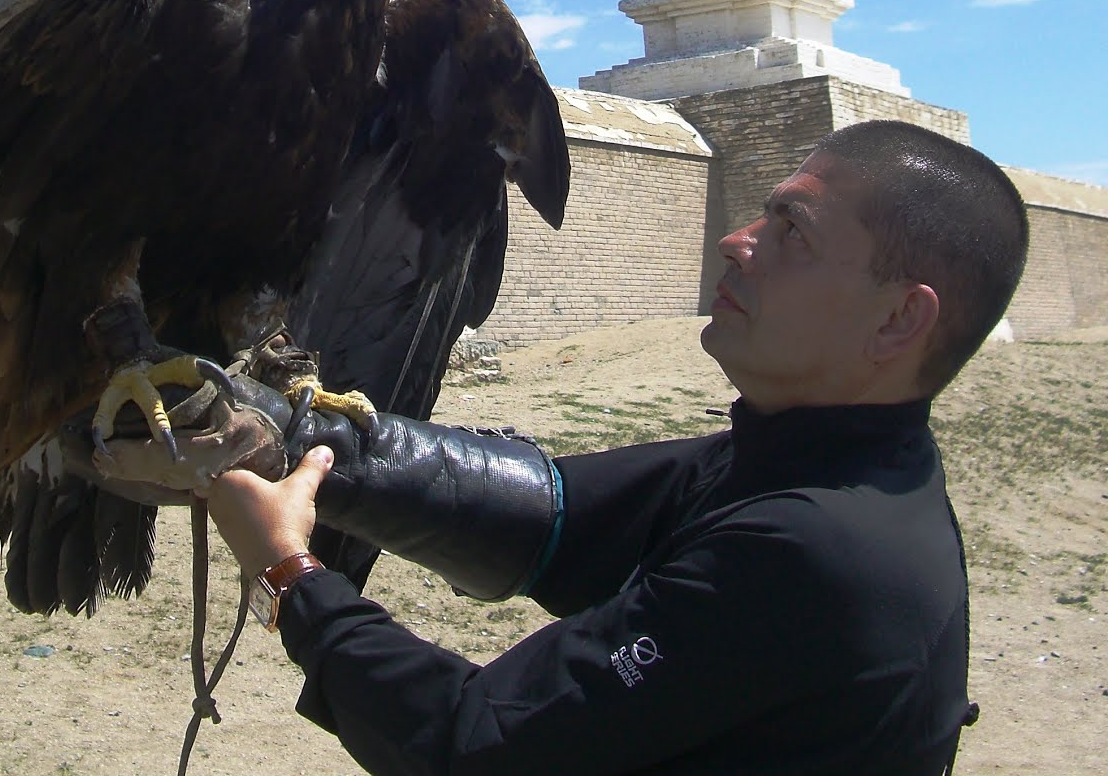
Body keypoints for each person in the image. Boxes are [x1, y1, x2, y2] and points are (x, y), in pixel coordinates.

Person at [194, 120, 1029, 776]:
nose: (736, 241)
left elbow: (474, 743)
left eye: (791, 230)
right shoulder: (806, 457)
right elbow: (550, 514)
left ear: (898, 319)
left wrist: (288, 574)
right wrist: (290, 434)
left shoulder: (824, 551)